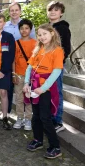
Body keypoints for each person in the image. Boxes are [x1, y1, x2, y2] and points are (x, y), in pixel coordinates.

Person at [24, 23, 63, 159]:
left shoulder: (57, 50)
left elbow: (56, 71)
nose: (41, 37)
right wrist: (26, 83)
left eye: (44, 34)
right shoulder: (37, 49)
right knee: (36, 116)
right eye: (39, 35)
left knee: (45, 117)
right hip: (34, 86)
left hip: (46, 88)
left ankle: (55, 146)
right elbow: (29, 68)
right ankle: (38, 140)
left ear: (52, 33)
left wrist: (43, 88)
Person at [4, 2, 36, 114]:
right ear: (9, 12)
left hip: (26, 65)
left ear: (20, 11)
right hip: (10, 61)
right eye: (12, 10)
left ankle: (27, 117)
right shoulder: (5, 26)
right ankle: (8, 113)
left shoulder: (27, 24)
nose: (14, 12)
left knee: (26, 94)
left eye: (16, 10)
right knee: (11, 89)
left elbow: (34, 47)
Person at [47, 1, 71, 133]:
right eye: (50, 9)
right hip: (45, 66)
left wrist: (56, 63)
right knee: (48, 92)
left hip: (56, 66)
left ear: (61, 13)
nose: (53, 12)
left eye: (56, 10)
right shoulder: (46, 27)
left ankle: (58, 121)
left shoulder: (63, 28)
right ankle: (50, 117)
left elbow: (66, 49)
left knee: (57, 92)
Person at [12, 19, 36, 131]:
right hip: (19, 74)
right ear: (19, 30)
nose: (24, 30)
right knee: (19, 98)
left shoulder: (35, 43)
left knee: (29, 98)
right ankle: (20, 117)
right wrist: (13, 74)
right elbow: (13, 60)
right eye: (22, 28)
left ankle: (28, 119)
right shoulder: (16, 43)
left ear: (30, 30)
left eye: (26, 28)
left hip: (31, 76)